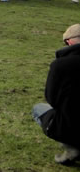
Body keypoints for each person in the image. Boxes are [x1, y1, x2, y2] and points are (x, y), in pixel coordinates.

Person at [32, 24, 80, 165]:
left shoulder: (60, 65)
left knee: (38, 109)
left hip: (70, 124)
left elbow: (52, 98)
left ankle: (72, 146)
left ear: (70, 41)